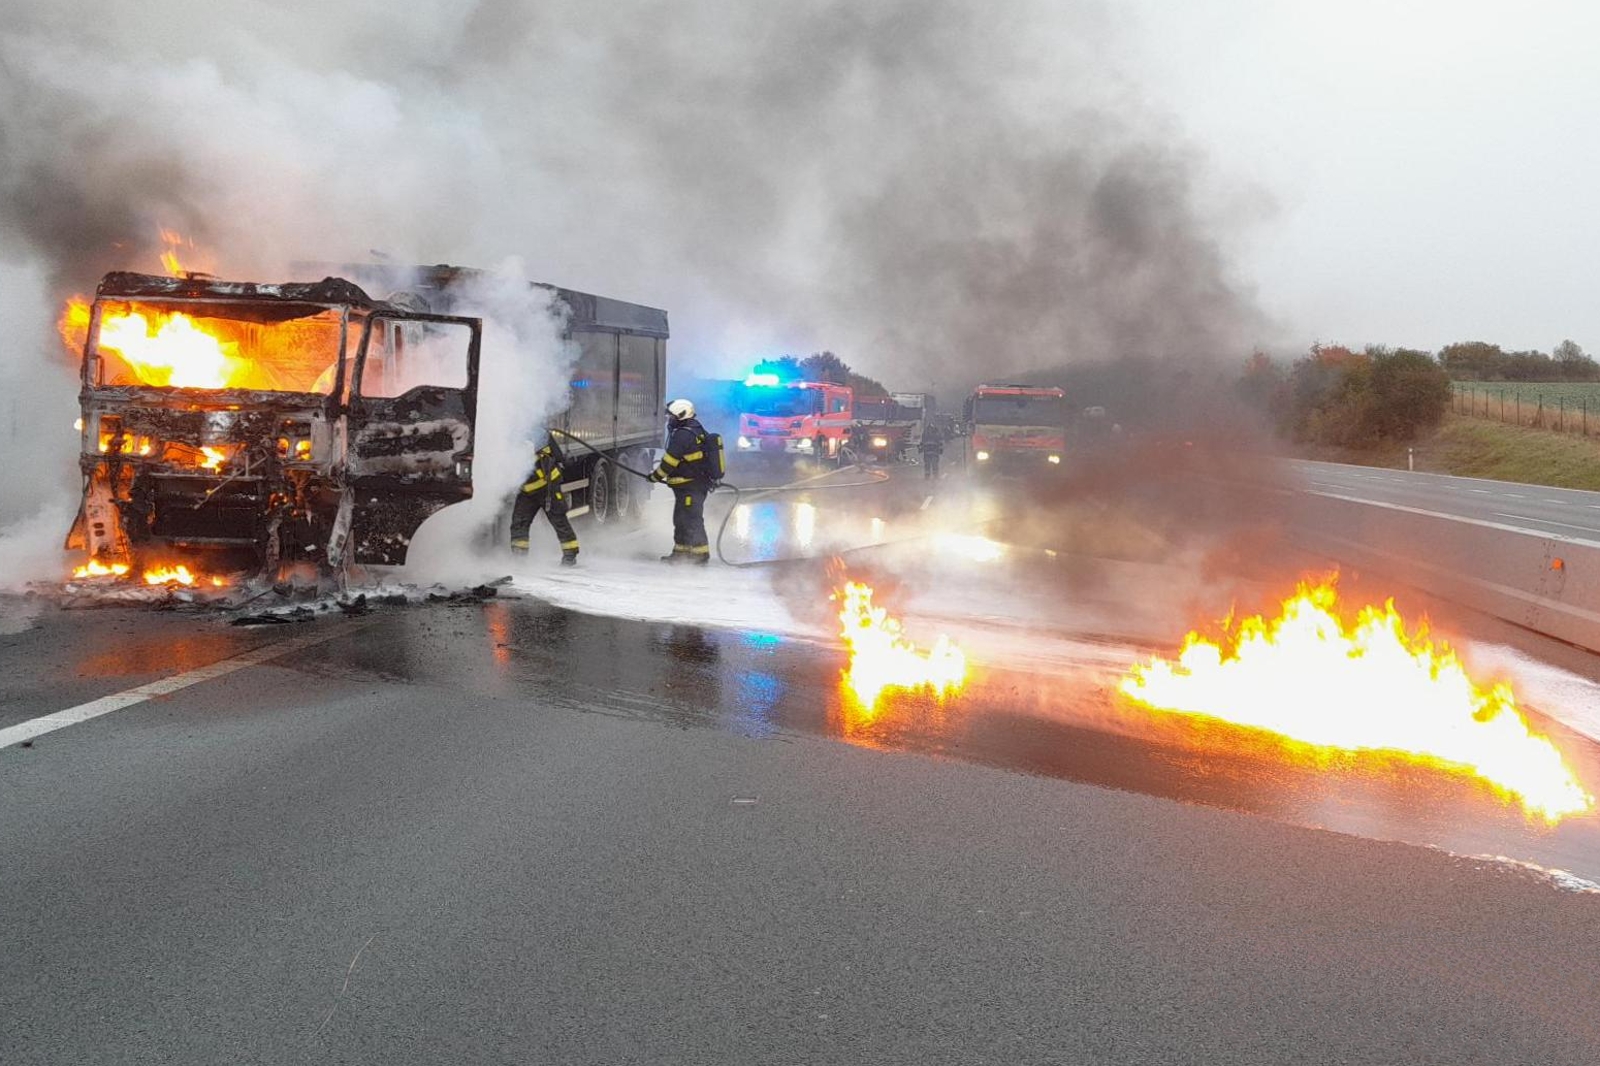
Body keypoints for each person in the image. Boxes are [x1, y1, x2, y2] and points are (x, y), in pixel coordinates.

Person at [648, 398, 715, 564]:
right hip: (692, 484)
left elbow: (670, 462)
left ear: (680, 415)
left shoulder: (683, 435)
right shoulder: (696, 429)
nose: (668, 420)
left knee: (691, 519)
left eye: (671, 417)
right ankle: (681, 552)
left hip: (691, 485)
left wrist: (654, 477)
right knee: (681, 519)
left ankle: (700, 553)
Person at [509, 434, 579, 566]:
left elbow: (558, 457)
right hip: (527, 491)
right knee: (519, 524)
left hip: (548, 488)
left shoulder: (539, 434)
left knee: (559, 521)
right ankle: (519, 559)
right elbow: (559, 456)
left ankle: (570, 555)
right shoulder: (516, 436)